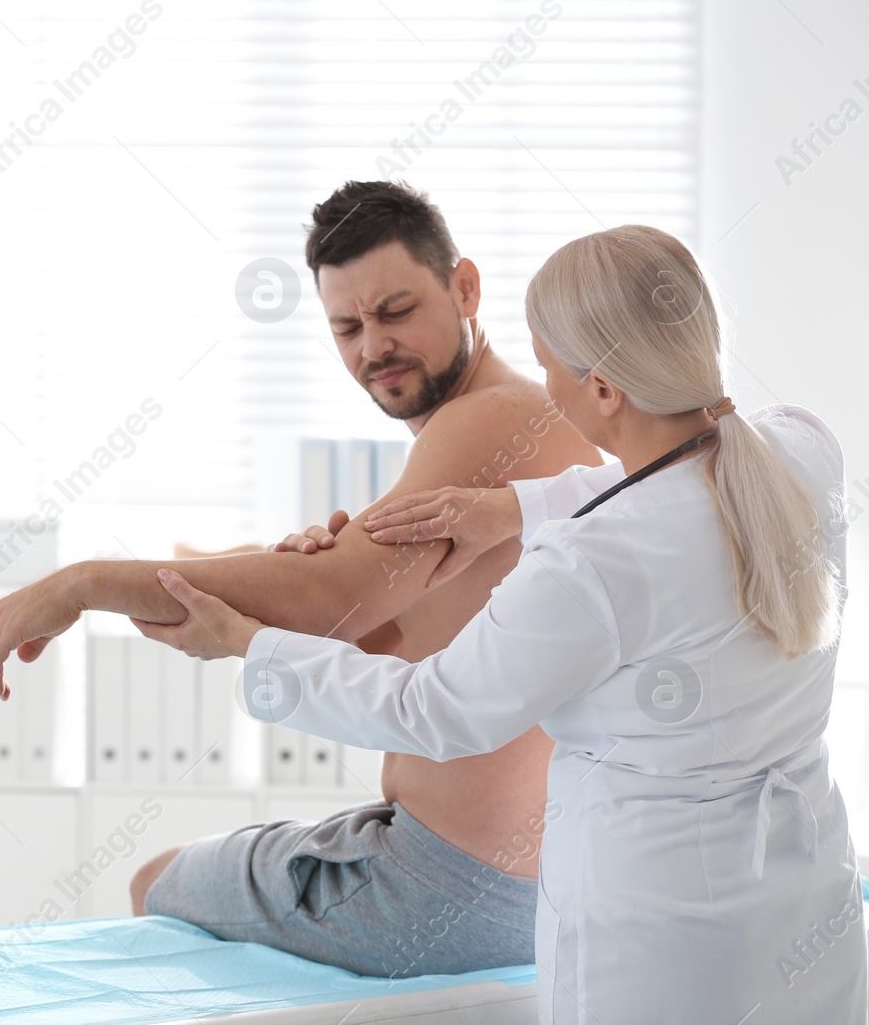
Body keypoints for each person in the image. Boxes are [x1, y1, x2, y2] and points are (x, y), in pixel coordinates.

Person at [132, 224, 865, 1023]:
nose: (543, 390)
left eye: (550, 369)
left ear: (605, 390)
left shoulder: (590, 563)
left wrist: (246, 644)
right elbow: (663, 486)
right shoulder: (802, 452)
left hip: (659, 954)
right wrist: (508, 505)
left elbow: (432, 710)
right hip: (809, 917)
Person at [0, 180, 602, 976]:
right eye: (347, 326)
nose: (372, 347)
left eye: (397, 311)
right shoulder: (509, 427)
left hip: (446, 890)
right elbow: (370, 632)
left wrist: (75, 585)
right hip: (514, 886)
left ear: (467, 287)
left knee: (151, 879)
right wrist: (282, 568)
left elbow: (329, 603)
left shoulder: (494, 419)